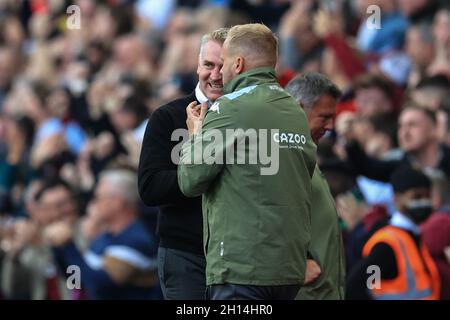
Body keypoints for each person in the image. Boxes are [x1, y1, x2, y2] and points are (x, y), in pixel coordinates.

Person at [178, 23, 317, 300]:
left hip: (242, 267)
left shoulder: (229, 108)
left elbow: (190, 180)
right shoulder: (294, 110)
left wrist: (195, 135)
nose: (220, 73)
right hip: (288, 267)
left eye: (224, 62)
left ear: (238, 63)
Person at [138, 28, 228, 300]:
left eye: (222, 67)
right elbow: (150, 187)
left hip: (237, 256)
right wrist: (199, 171)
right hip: (184, 254)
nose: (214, 75)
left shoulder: (251, 121)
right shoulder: (167, 117)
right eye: (208, 65)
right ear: (197, 65)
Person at [45, 170, 161, 299]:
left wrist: (68, 246)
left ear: (117, 202)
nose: (93, 204)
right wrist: (58, 247)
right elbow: (77, 281)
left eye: (98, 198)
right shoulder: (104, 237)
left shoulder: (136, 240)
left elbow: (99, 285)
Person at [285, 72, 345, 299]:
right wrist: (291, 264)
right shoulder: (283, 157)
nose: (331, 126)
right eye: (324, 117)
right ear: (298, 109)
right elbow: (261, 217)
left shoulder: (304, 153)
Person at [346, 166, 440, 300]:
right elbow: (358, 286)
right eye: (417, 196)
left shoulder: (413, 235)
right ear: (396, 199)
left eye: (427, 196)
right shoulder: (387, 245)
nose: (423, 202)